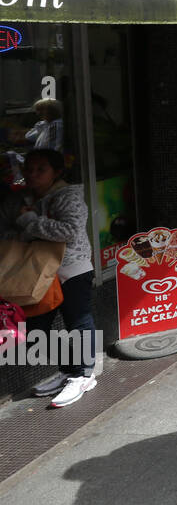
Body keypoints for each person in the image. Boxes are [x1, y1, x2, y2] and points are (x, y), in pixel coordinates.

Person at [0, 149, 96, 407]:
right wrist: (26, 231)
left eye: (40, 169)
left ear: (57, 173)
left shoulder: (69, 196)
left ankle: (83, 375)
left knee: (77, 322)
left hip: (71, 270)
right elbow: (4, 230)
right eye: (28, 169)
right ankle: (68, 371)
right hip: (31, 275)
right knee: (35, 331)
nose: (31, 174)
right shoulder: (17, 199)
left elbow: (70, 231)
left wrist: (29, 220)